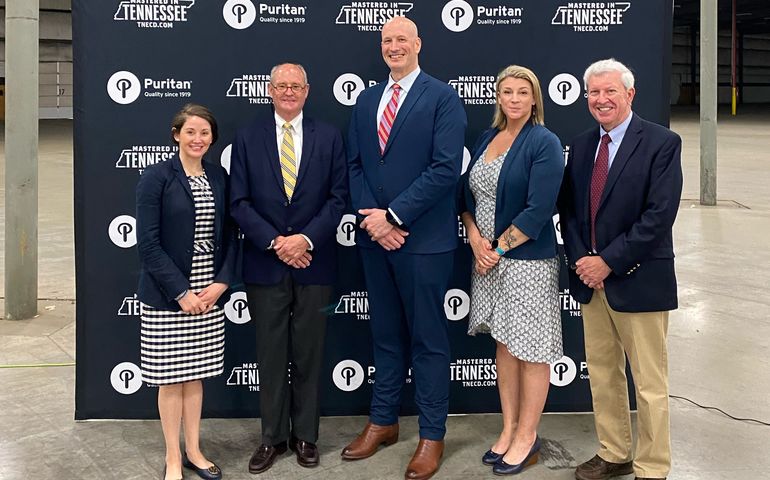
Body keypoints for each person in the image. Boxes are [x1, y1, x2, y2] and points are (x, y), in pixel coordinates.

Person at [341, 16, 467, 480]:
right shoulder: (367, 99)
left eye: (401, 39)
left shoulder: (442, 97)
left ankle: (432, 435)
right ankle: (383, 422)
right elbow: (355, 165)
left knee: (428, 342)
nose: (394, 46)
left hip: (422, 243)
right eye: (386, 40)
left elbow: (443, 168)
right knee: (386, 337)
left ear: (418, 44)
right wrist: (374, 221)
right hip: (377, 242)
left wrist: (394, 217)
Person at [558, 58, 682, 480]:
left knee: (648, 383)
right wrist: (583, 263)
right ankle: (614, 452)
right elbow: (569, 213)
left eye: (610, 91)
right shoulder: (579, 145)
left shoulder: (662, 143)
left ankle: (651, 466)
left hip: (639, 280)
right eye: (594, 92)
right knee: (604, 374)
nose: (601, 99)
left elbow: (659, 216)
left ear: (630, 94)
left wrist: (607, 261)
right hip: (592, 285)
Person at [229, 62, 348, 474]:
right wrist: (278, 243)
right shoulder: (247, 138)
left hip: (315, 264)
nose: (288, 92)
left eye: (295, 85)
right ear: (269, 89)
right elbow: (238, 202)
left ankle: (306, 437)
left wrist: (305, 240)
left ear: (307, 90)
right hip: (266, 264)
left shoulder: (330, 136)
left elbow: (338, 198)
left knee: (311, 355)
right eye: (281, 85)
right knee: (271, 354)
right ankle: (273, 438)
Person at [459, 65, 564, 476]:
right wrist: (472, 236)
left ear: (535, 98)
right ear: (498, 97)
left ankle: (528, 436)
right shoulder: (487, 138)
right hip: (485, 257)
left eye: (523, 92)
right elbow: (465, 198)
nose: (515, 99)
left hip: (525, 263)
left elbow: (539, 209)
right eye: (507, 92)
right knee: (504, 345)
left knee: (531, 352)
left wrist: (498, 248)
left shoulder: (544, 141)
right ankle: (508, 429)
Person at [136, 103, 236, 480]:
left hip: (209, 292)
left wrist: (222, 283)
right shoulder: (156, 177)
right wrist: (180, 293)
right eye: (191, 131)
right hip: (168, 295)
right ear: (176, 134)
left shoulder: (219, 176)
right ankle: (173, 457)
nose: (198, 139)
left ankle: (194, 449)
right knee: (170, 379)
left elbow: (230, 235)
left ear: (212, 139)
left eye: (205, 133)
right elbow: (148, 244)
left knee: (194, 376)